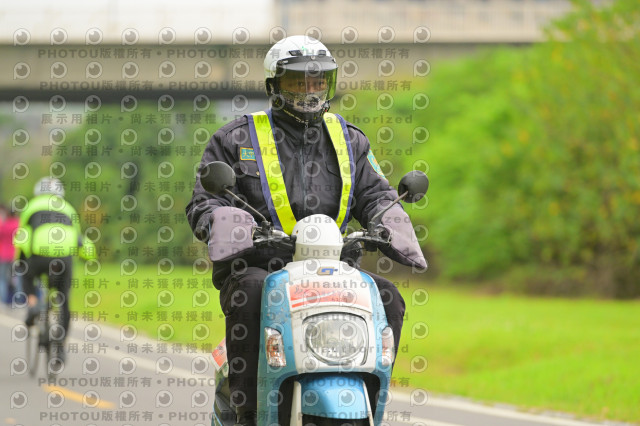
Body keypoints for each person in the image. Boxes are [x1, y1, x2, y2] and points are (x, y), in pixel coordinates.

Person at [186, 35, 426, 425]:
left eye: (318, 81)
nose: (310, 90)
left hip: (334, 269)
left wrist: (385, 221)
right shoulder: (235, 139)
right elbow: (204, 201)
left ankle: (372, 405)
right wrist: (227, 222)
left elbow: (376, 193)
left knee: (389, 299)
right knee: (250, 293)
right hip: (261, 266)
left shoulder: (350, 140)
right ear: (274, 85)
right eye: (298, 81)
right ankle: (249, 413)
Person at [14, 177, 95, 364]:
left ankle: (33, 304)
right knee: (64, 300)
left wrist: (20, 261)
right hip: (63, 259)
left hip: (38, 256)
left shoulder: (31, 206)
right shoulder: (68, 208)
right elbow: (78, 239)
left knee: (25, 273)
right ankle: (60, 348)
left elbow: (22, 236)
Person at [0, 205, 20, 305]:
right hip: (16, 255)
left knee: (3, 279)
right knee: (17, 279)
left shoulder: (4, 225)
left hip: (3, 255)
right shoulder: (19, 225)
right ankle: (19, 300)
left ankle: (2, 302)